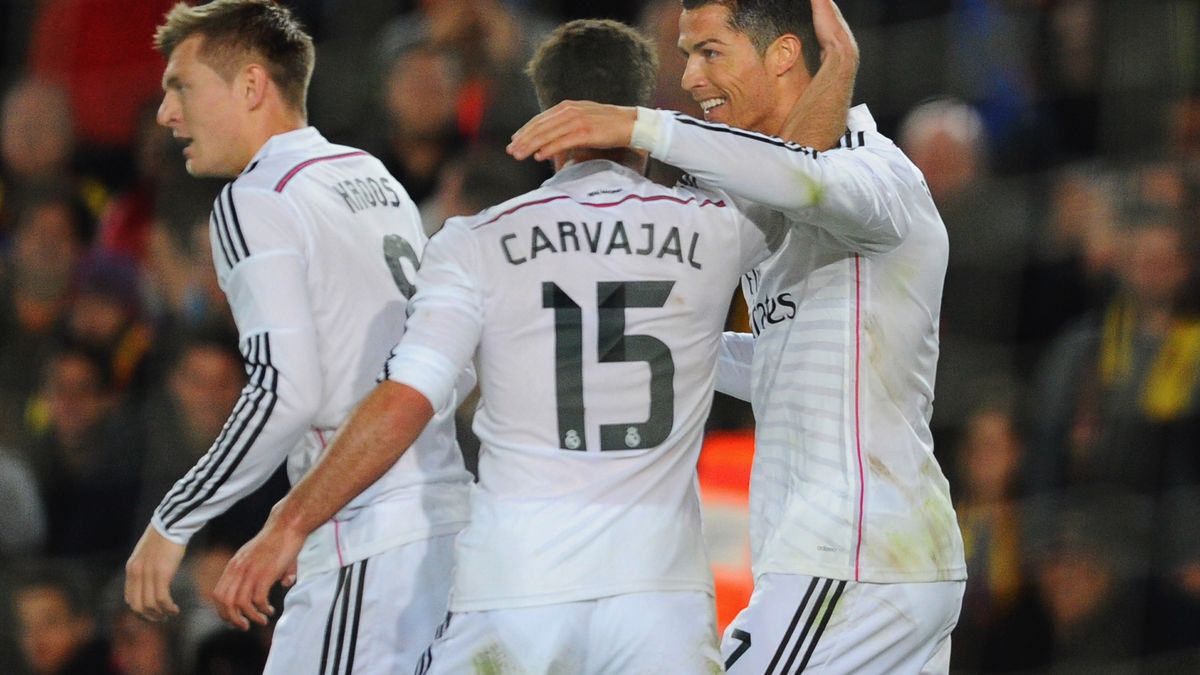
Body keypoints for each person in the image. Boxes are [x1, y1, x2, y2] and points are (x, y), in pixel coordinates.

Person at [208, 17, 850, 673]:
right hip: (659, 602)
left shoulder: (476, 242)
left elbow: (407, 399)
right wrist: (839, 64)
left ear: (547, 120)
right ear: (639, 111)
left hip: (515, 596)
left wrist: (289, 522)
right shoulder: (717, 226)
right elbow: (798, 167)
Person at [507, 0, 967, 672]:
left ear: (783, 55)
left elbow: (805, 180)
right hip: (882, 563)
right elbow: (784, 363)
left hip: (851, 561)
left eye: (711, 52)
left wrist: (643, 125)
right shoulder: (766, 210)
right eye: (686, 55)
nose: (691, 78)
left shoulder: (877, 175)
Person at [121, 2, 473, 673]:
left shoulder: (255, 198)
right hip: (441, 523)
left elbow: (284, 389)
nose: (166, 113)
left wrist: (174, 519)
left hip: (366, 541)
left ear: (251, 85)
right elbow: (448, 363)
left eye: (182, 86)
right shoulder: (369, 174)